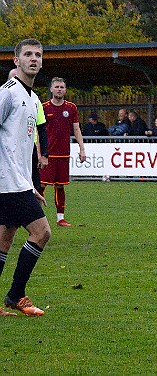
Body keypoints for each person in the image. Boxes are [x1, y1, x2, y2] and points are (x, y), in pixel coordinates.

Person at [0, 38, 51, 316]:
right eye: (28, 54)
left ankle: (13, 296)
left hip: (18, 182)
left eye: (38, 55)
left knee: (4, 239)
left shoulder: (32, 99)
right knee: (42, 232)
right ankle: (16, 294)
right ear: (16, 60)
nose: (34, 59)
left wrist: (32, 183)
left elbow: (27, 145)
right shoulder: (7, 93)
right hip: (6, 182)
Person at [40, 77, 87, 227]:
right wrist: (40, 153)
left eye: (62, 87)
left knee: (60, 186)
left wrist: (82, 148)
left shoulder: (71, 108)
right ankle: (35, 218)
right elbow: (38, 131)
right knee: (40, 186)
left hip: (63, 154)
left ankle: (60, 218)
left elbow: (76, 128)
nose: (59, 89)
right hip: (48, 155)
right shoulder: (44, 107)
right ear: (51, 89)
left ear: (65, 90)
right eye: (57, 87)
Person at [7, 68, 48, 195]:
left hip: (30, 151)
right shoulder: (5, 96)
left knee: (35, 186)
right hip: (8, 150)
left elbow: (42, 128)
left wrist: (44, 155)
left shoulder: (35, 100)